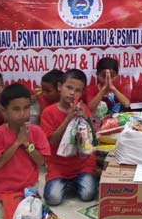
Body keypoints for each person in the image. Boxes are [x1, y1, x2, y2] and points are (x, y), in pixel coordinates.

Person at [0, 84, 50, 219]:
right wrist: (16, 143)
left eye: (26, 108)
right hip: (4, 191)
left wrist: (27, 144)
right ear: (4, 111)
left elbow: (41, 162)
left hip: (28, 189)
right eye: (16, 109)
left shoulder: (36, 131)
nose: (23, 114)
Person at [40, 69, 98, 205]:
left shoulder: (83, 108)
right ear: (60, 87)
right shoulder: (48, 112)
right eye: (69, 87)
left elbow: (92, 139)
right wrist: (68, 119)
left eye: (78, 90)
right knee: (53, 199)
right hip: (58, 166)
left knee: (88, 195)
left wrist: (85, 119)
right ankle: (68, 183)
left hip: (82, 165)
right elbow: (51, 141)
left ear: (82, 93)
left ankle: (73, 183)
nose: (72, 93)